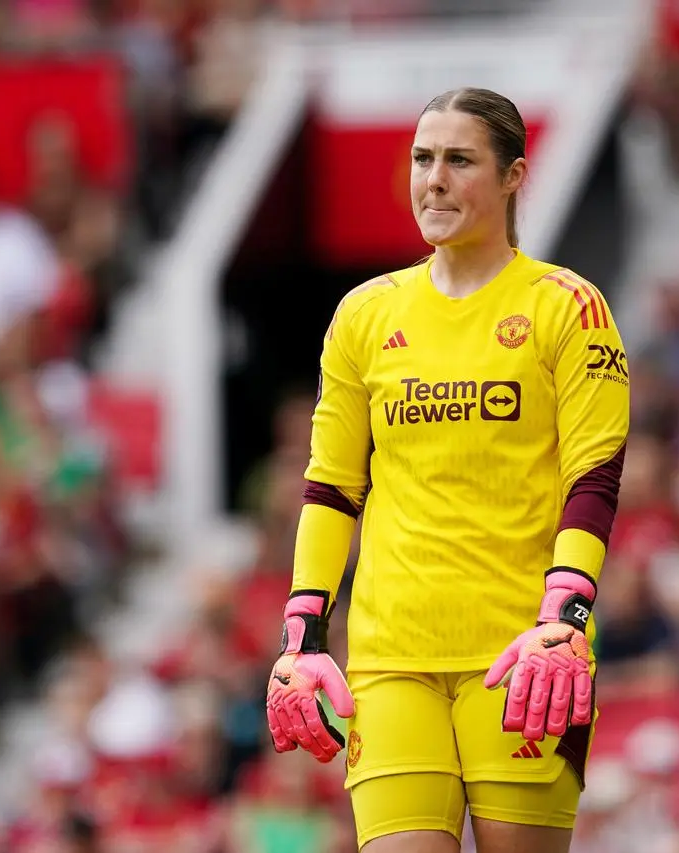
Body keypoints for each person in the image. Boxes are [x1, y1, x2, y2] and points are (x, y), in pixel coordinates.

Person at [264, 86, 631, 853]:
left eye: (460, 160)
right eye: (422, 159)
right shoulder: (365, 315)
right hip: (392, 656)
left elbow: (592, 478)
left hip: (524, 655)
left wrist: (564, 620)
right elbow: (332, 487)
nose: (433, 179)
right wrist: (302, 633)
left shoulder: (568, 306)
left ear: (513, 177)